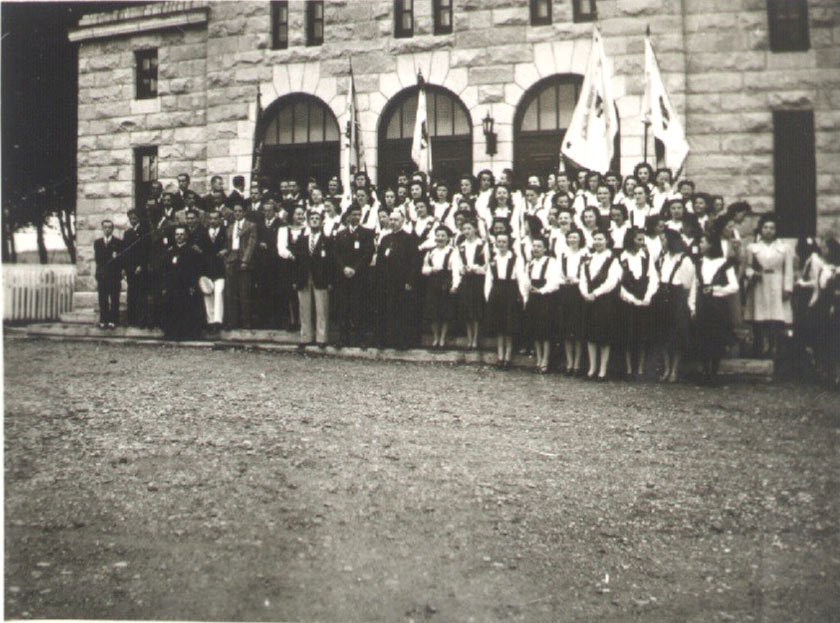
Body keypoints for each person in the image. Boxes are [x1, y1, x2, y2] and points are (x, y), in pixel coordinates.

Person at [693, 231, 740, 384]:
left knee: (717, 338)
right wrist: (692, 306)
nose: (700, 245)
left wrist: (715, 290)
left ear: (711, 245)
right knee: (702, 337)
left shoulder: (724, 263)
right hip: (702, 305)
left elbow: (734, 286)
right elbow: (695, 286)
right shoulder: (700, 262)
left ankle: (714, 372)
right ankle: (705, 372)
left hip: (718, 306)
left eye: (703, 242)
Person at [744, 214, 794, 358]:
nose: (768, 230)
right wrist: (752, 274)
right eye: (765, 227)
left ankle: (775, 347)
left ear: (776, 230)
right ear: (760, 229)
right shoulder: (752, 248)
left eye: (772, 228)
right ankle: (760, 346)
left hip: (777, 283)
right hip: (760, 284)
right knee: (760, 317)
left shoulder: (784, 248)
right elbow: (747, 267)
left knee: (776, 317)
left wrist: (787, 288)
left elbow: (788, 269)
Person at [653, 228, 696, 382]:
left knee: (676, 335)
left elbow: (688, 283)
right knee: (663, 335)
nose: (662, 243)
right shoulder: (664, 257)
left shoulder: (684, 259)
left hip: (677, 297)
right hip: (663, 295)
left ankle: (674, 370)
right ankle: (666, 368)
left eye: (664, 240)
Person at [579, 230, 622, 380]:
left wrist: (595, 294)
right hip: (589, 300)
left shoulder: (612, 259)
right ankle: (592, 368)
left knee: (604, 336)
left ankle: (602, 370)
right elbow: (583, 278)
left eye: (600, 239)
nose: (597, 242)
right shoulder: (588, 258)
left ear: (607, 241)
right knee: (590, 335)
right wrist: (585, 293)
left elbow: (612, 281)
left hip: (604, 301)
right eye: (595, 239)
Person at [618, 227, 659, 379]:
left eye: (643, 239)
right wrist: (632, 299)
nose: (642, 242)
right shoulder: (622, 257)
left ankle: (640, 368)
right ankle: (629, 369)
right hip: (628, 301)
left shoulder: (646, 257)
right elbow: (620, 282)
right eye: (639, 239)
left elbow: (653, 278)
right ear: (631, 240)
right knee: (628, 336)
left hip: (644, 300)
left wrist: (647, 297)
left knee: (643, 336)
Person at [378, 211, 422, 349]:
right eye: (390, 220)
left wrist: (410, 281)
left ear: (402, 221)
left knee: (402, 312)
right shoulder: (385, 239)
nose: (392, 222)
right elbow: (380, 261)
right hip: (387, 281)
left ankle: (402, 342)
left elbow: (415, 262)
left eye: (396, 220)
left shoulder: (409, 239)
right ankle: (387, 340)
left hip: (402, 282)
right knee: (387, 310)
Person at [334, 204, 376, 347]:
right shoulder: (341, 234)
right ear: (348, 216)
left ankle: (360, 339)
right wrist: (344, 268)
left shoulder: (367, 233)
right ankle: (343, 339)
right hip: (343, 276)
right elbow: (336, 254)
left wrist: (355, 269)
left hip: (360, 277)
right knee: (343, 307)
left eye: (359, 214)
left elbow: (368, 254)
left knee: (360, 308)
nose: (356, 217)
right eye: (354, 214)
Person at [484, 231, 526, 369]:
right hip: (497, 293)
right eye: (499, 242)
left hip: (510, 292)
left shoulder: (515, 259)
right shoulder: (493, 260)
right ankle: (500, 356)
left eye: (504, 242)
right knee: (499, 327)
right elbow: (489, 279)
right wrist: (488, 296)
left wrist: (523, 296)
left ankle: (507, 356)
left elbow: (520, 278)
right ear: (496, 243)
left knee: (509, 327)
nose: (501, 244)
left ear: (509, 244)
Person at [293, 211, 334, 349]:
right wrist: (296, 279)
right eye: (312, 219)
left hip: (321, 278)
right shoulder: (302, 240)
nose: (314, 221)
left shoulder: (327, 240)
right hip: (304, 277)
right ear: (308, 222)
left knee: (321, 308)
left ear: (321, 222)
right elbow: (297, 262)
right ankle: (305, 337)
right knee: (304, 308)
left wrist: (330, 281)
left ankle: (321, 338)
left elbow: (330, 263)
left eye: (317, 219)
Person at [524, 237, 561, 373]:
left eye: (539, 246)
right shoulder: (530, 264)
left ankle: (545, 360)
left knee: (545, 331)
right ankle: (538, 359)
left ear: (545, 248)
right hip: (533, 298)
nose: (536, 249)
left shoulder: (551, 262)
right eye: (534, 246)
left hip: (546, 299)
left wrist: (541, 291)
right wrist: (528, 293)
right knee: (535, 330)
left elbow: (554, 282)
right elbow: (525, 281)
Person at [422, 226, 462, 350]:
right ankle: (435, 338)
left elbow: (456, 270)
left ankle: (443, 339)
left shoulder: (453, 252)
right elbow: (424, 269)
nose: (440, 238)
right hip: (433, 282)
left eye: (443, 236)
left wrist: (455, 285)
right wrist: (431, 270)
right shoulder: (431, 252)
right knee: (433, 311)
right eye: (438, 235)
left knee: (445, 312)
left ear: (448, 238)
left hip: (446, 283)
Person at [162, 225, 203, 340]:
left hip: (186, 285)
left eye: (181, 234)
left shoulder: (191, 251)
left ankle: (185, 334)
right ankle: (172, 333)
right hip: (172, 285)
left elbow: (195, 270)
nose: (179, 237)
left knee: (185, 309)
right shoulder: (170, 251)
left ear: (186, 236)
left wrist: (192, 285)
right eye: (177, 235)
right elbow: (166, 269)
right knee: (172, 308)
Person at [222, 203, 258, 329]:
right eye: (235, 211)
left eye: (240, 211)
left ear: (244, 212)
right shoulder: (231, 227)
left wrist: (245, 260)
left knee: (244, 292)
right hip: (232, 258)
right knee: (231, 292)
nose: (237, 213)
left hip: (243, 259)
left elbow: (251, 244)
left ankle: (246, 321)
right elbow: (228, 244)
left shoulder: (251, 226)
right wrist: (226, 255)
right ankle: (232, 321)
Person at [558, 228, 587, 376]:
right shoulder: (563, 254)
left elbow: (588, 275)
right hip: (565, 292)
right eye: (570, 237)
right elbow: (558, 272)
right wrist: (564, 279)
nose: (573, 240)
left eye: (575, 237)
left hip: (579, 292)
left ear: (580, 239)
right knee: (567, 330)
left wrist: (575, 280)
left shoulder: (585, 254)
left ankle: (577, 364)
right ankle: (569, 363)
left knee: (578, 330)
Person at [792, 236, 827, 355]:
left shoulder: (815, 261)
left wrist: (801, 283)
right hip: (805, 295)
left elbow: (816, 282)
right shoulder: (808, 260)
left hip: (810, 295)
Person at [456, 218, 486, 351]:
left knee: (476, 310)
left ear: (475, 230)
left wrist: (475, 268)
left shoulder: (482, 245)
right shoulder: (461, 246)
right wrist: (462, 269)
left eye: (469, 228)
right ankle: (469, 338)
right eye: (464, 229)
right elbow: (458, 263)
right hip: (466, 280)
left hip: (478, 280)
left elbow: (487, 264)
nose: (466, 231)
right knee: (467, 310)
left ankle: (475, 339)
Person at [276, 206, 308, 330]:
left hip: (302, 265)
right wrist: (290, 255)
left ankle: (302, 322)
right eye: (297, 214)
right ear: (292, 216)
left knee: (302, 292)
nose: (300, 217)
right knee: (289, 293)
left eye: (302, 214)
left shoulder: (307, 229)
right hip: (288, 265)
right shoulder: (284, 229)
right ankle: (292, 321)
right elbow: (281, 248)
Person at [201, 209, 227, 330]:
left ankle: (218, 321)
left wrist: (225, 250)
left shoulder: (224, 232)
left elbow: (229, 246)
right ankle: (210, 321)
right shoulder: (204, 232)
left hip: (220, 268)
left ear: (220, 220)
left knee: (218, 292)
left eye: (215, 218)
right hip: (207, 268)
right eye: (211, 218)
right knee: (208, 293)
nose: (213, 221)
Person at [94, 219, 122, 329]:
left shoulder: (118, 242)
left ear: (112, 229)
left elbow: (120, 260)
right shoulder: (98, 243)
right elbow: (98, 259)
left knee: (114, 299)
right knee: (103, 299)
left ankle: (113, 320)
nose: (107, 229)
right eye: (105, 227)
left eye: (109, 227)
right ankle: (103, 320)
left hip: (114, 275)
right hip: (103, 275)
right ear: (102, 228)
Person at [122, 210, 148, 327]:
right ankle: (131, 320)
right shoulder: (127, 233)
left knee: (141, 294)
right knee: (131, 293)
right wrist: (124, 268)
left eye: (135, 218)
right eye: (131, 219)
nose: (133, 221)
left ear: (139, 219)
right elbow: (125, 252)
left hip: (140, 267)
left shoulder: (144, 232)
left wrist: (141, 265)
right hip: (130, 267)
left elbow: (146, 250)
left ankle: (141, 320)